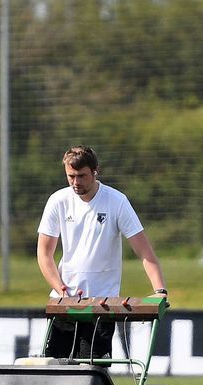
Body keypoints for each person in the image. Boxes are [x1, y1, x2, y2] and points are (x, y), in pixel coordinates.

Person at [37, 145, 168, 360]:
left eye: (81, 176)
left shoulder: (116, 201)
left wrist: (160, 290)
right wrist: (60, 290)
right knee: (56, 369)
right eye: (71, 176)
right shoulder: (58, 201)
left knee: (92, 370)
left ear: (95, 171)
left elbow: (144, 251)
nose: (76, 182)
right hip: (65, 306)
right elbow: (44, 253)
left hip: (102, 306)